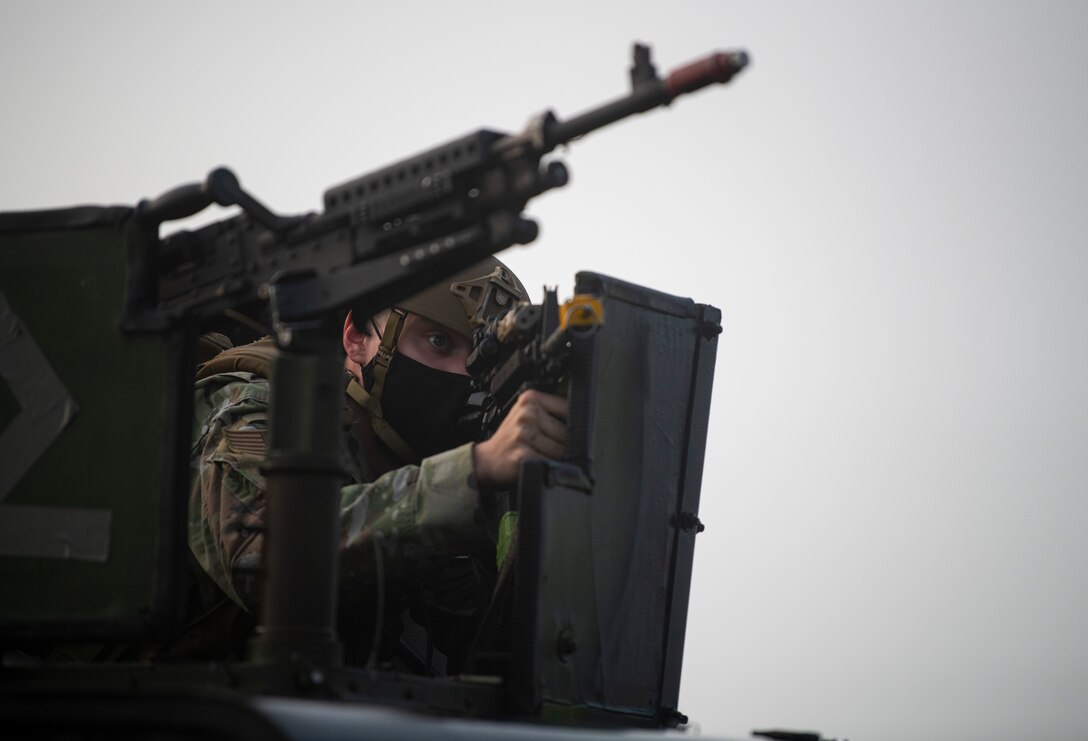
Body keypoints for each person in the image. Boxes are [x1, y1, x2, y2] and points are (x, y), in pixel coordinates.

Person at [184, 258, 568, 666]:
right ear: (356, 338)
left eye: (480, 358)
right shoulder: (261, 404)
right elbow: (262, 560)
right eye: (438, 342)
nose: (464, 373)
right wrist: (472, 472)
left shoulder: (434, 465)